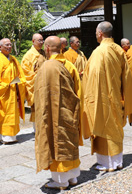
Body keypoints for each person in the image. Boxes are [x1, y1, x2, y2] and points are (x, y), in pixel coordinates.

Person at [34, 36, 83, 190]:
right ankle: (73, 176)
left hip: (52, 114)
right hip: (68, 113)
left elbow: (39, 93)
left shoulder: (46, 67)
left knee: (55, 144)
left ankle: (60, 181)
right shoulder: (69, 65)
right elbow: (79, 91)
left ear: (47, 48)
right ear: (61, 48)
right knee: (69, 142)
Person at [82, 22, 132, 172]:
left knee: (103, 127)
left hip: (101, 98)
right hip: (116, 97)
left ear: (99, 34)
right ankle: (118, 161)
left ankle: (107, 163)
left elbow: (94, 78)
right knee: (115, 127)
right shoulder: (119, 49)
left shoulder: (99, 52)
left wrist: (89, 99)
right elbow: (128, 77)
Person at [0, 38, 26, 144]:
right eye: (6, 45)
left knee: (13, 114)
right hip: (3, 93)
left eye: (10, 45)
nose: (9, 47)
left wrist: (19, 83)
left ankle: (11, 136)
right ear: (0, 47)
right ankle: (3, 137)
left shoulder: (13, 60)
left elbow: (21, 75)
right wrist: (6, 85)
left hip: (14, 92)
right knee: (3, 114)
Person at [21, 33, 46, 130]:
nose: (41, 42)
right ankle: (37, 129)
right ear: (33, 41)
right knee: (37, 107)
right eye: (39, 40)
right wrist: (39, 76)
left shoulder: (44, 53)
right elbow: (25, 72)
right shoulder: (28, 55)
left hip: (45, 84)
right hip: (36, 85)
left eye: (42, 40)